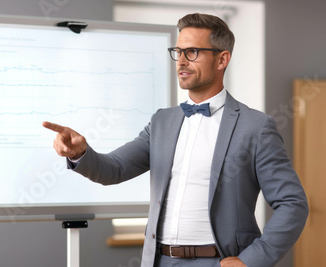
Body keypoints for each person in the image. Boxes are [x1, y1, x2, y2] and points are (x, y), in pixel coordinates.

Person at [42, 13, 308, 267]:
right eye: (178, 52)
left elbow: (292, 203)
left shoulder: (256, 126)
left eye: (192, 52)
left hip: (220, 260)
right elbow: (115, 169)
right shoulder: (162, 122)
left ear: (222, 59)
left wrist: (252, 260)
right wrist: (80, 152)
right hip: (160, 260)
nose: (181, 61)